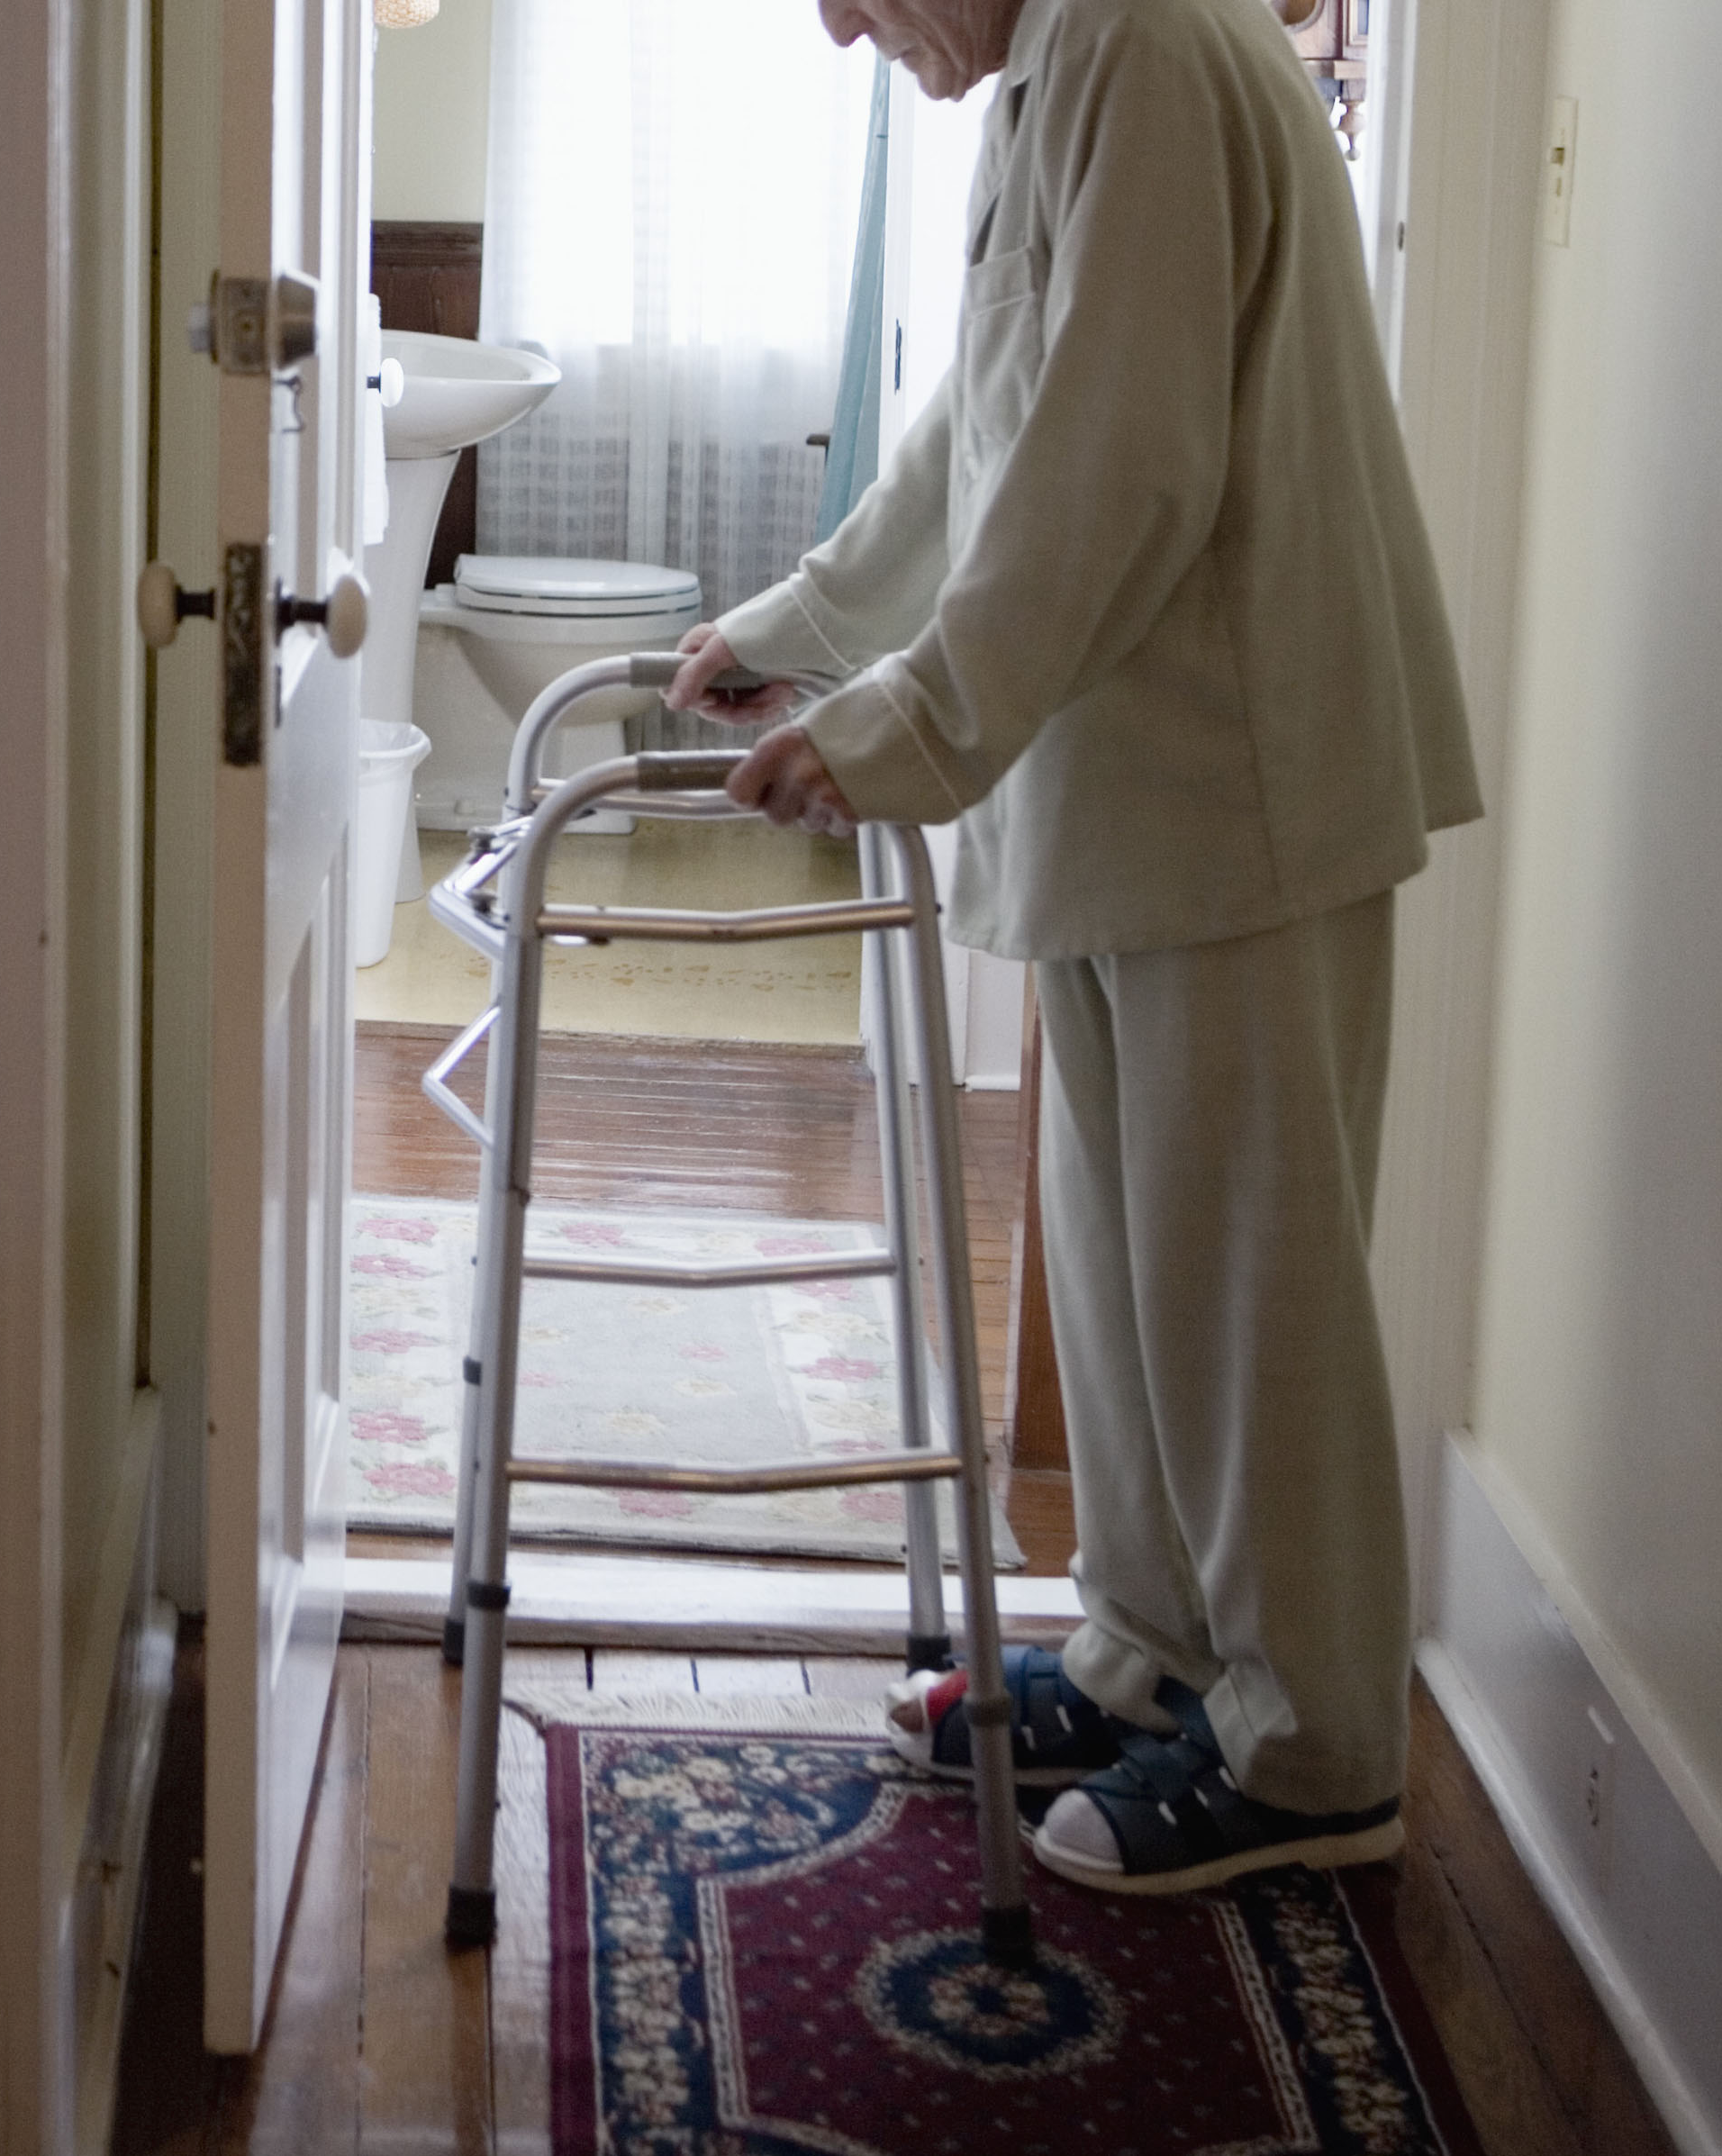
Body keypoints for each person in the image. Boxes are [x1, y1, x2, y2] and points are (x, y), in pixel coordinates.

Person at [666, 0, 1479, 1892]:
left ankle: (1312, 1755)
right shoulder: (1058, 72)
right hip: (1137, 783)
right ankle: (1148, 1658)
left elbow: (1117, 469)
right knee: (1124, 1283)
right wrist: (805, 617)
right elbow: (986, 429)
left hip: (1240, 777)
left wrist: (898, 727)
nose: (833, 21)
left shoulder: (1148, 48)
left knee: (1241, 1295)